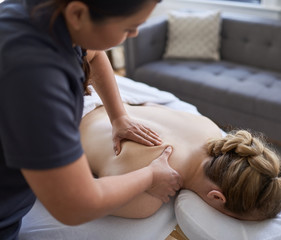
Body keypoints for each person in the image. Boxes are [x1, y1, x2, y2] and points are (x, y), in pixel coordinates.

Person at [0, 0, 182, 239]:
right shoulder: (36, 77)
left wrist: (118, 117)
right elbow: (75, 205)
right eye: (129, 28)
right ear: (78, 13)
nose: (135, 33)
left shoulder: (45, 12)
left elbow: (94, 55)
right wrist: (151, 176)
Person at [80, 103, 281, 221]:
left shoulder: (206, 126)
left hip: (89, 93)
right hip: (61, 123)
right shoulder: (146, 200)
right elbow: (80, 200)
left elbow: (147, 105)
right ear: (217, 197)